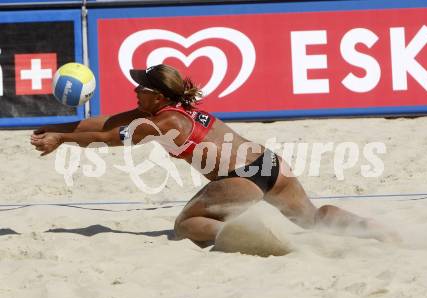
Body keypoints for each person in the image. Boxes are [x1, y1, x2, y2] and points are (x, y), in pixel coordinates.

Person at [31, 64, 398, 246]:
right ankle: (373, 229)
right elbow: (108, 120)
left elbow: (111, 137)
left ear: (157, 96)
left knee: (185, 225)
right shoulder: (169, 110)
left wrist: (62, 140)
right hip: (270, 164)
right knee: (313, 218)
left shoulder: (164, 121)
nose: (134, 89)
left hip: (239, 179)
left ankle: (266, 244)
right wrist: (60, 130)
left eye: (140, 86)